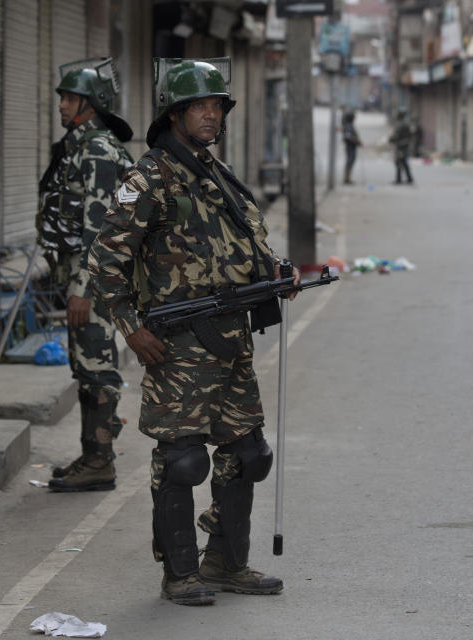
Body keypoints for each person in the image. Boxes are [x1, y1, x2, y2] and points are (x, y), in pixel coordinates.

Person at [88, 59, 299, 606]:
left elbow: (243, 248)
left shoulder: (216, 173)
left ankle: (227, 563)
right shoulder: (150, 177)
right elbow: (105, 261)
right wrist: (131, 329)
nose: (211, 115)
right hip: (177, 345)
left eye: (217, 106)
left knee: (247, 454)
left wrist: (275, 275)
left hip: (231, 340)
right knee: (182, 460)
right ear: (175, 113)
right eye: (199, 106)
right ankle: (179, 574)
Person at [36, 58, 134, 492]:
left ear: (90, 105)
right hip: (81, 274)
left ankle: (101, 461)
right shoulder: (80, 144)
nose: (61, 105)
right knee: (85, 365)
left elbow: (101, 228)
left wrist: (82, 290)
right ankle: (92, 455)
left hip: (94, 280)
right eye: (61, 97)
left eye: (69, 97)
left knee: (97, 366)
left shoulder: (97, 150)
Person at [389, 107, 414, 185]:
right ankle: (409, 178)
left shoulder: (400, 125)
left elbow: (396, 136)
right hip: (405, 145)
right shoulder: (406, 124)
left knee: (398, 162)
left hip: (400, 146)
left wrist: (391, 139)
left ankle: (399, 179)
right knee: (404, 162)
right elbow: (410, 135)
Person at [341, 109, 362, 185]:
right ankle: (346, 179)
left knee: (351, 161)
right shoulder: (348, 126)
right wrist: (357, 142)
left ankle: (348, 178)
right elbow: (348, 136)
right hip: (350, 146)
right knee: (349, 162)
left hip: (351, 146)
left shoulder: (349, 125)